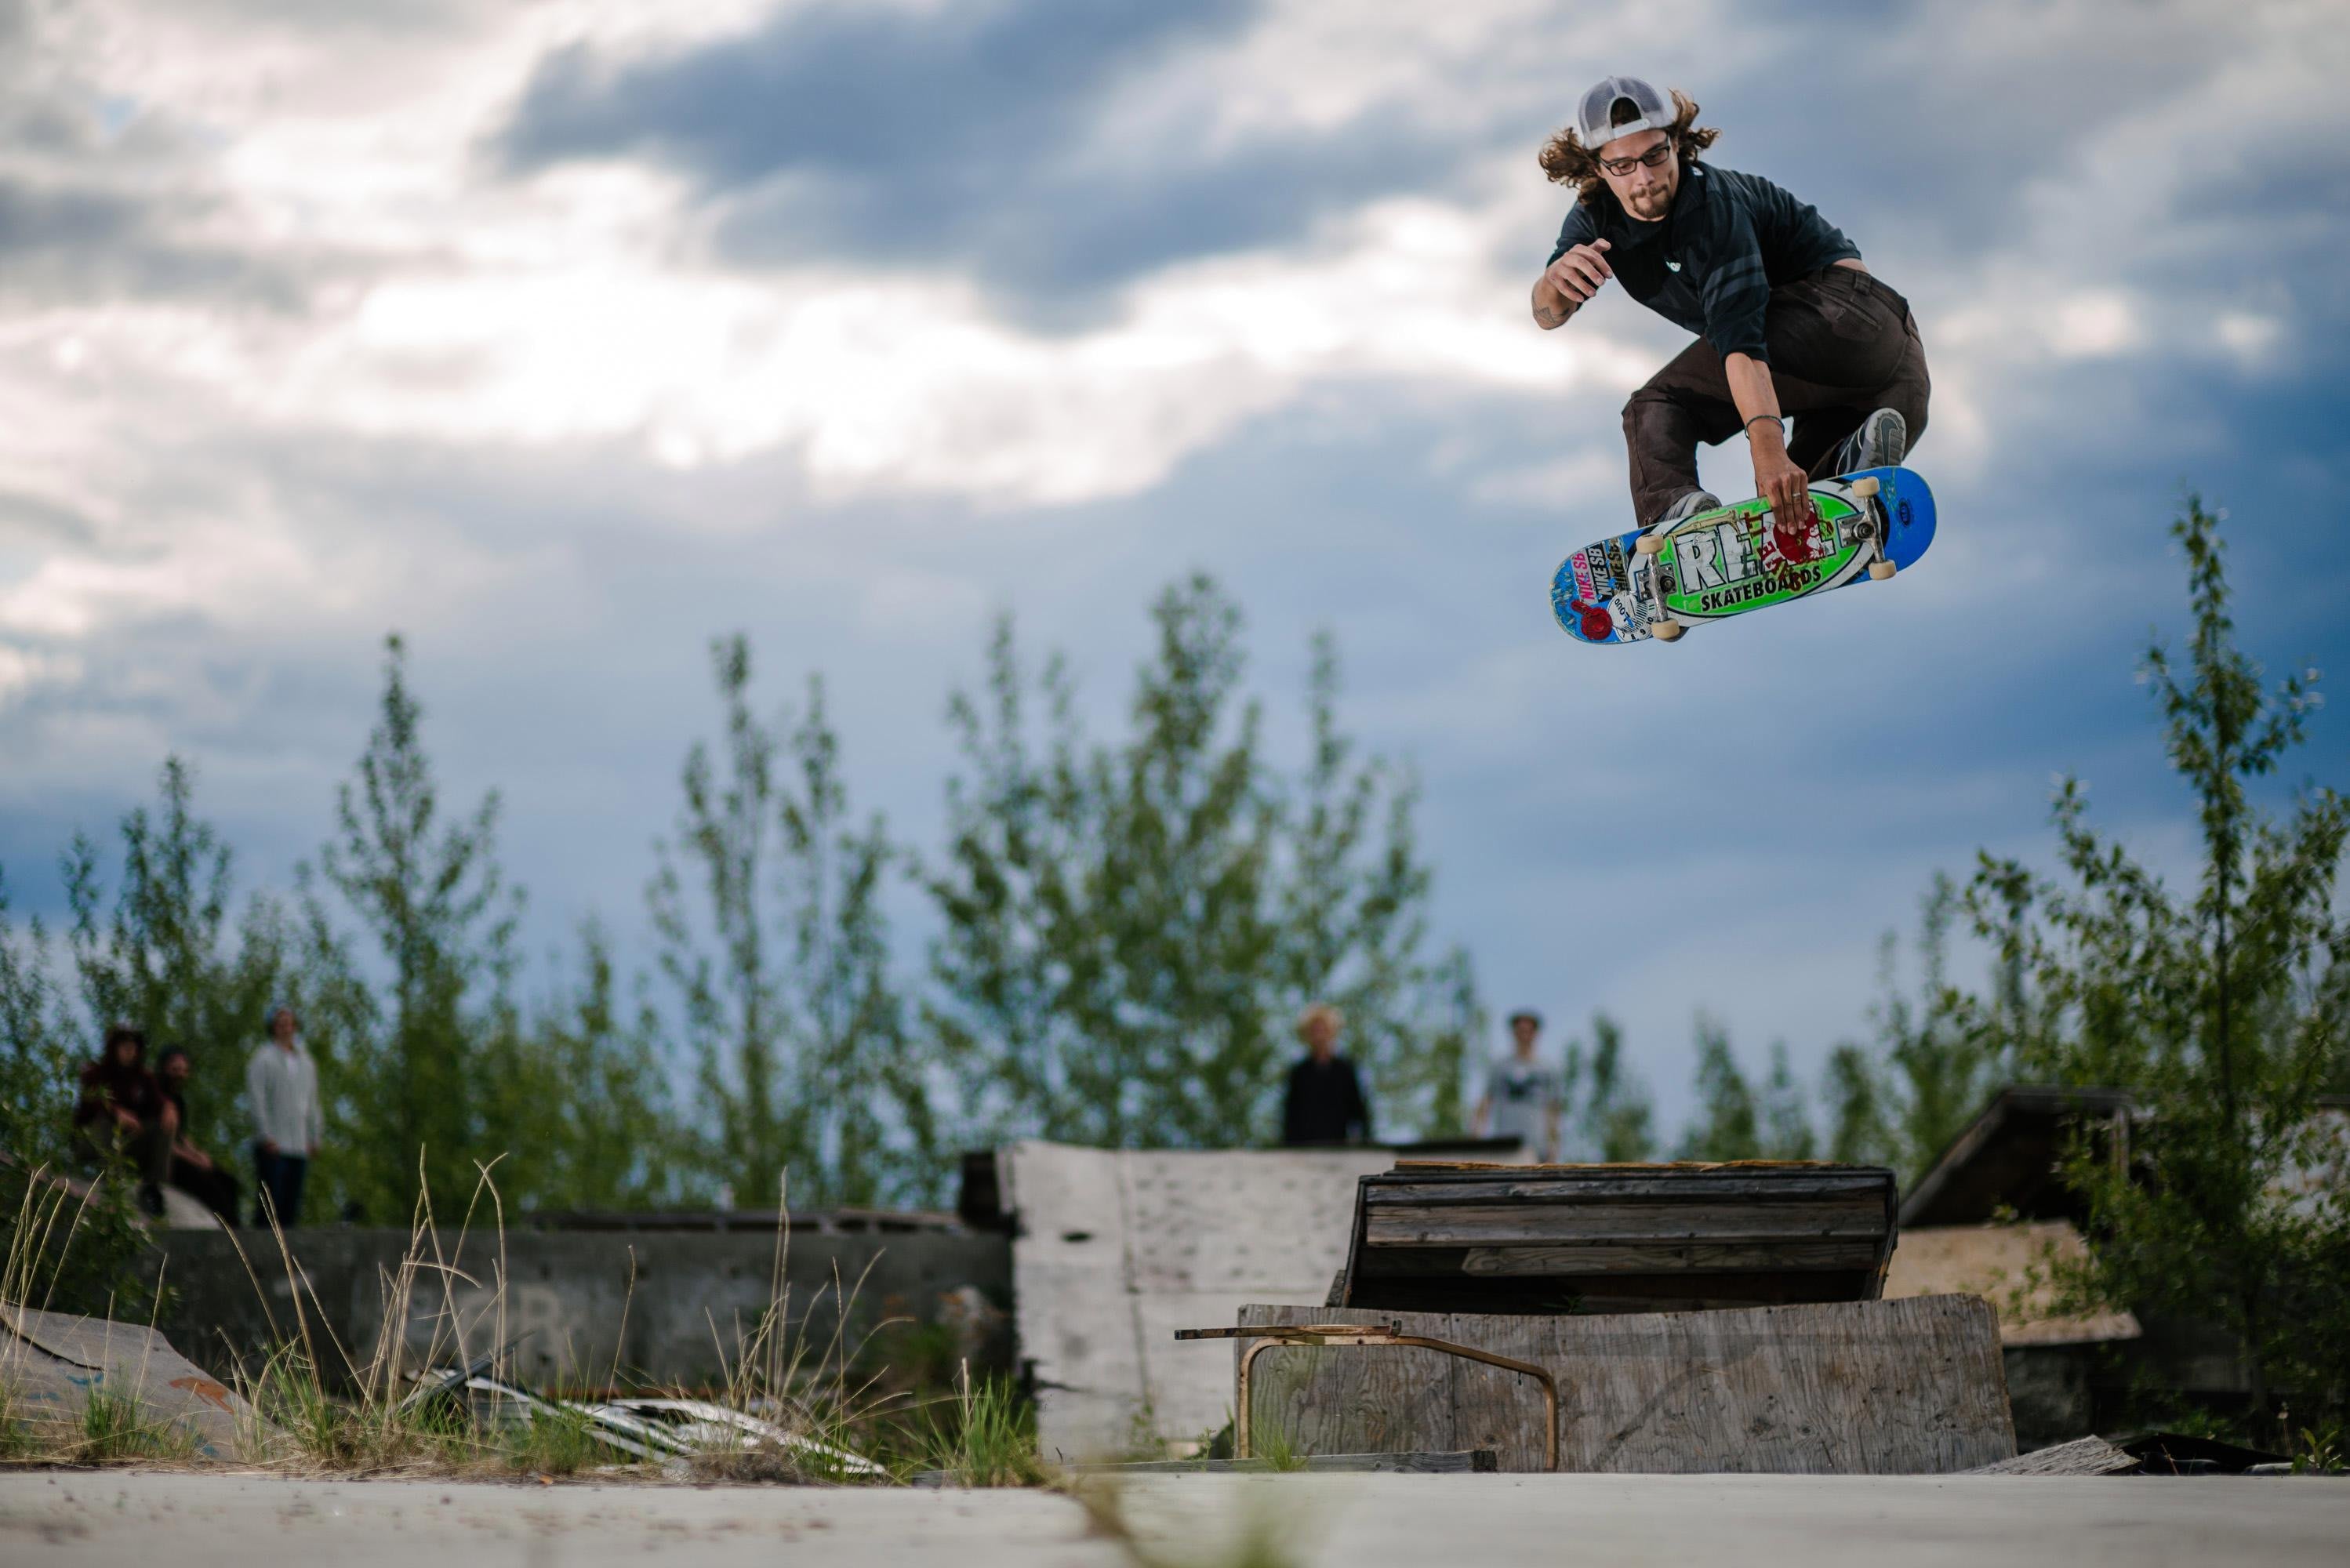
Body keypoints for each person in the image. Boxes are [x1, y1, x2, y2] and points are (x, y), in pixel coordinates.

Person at [1532, 76, 1927, 534]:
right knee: (1802, 509)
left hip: (1840, 319)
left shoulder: (1710, 209)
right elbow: (1548, 314)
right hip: (1888, 384)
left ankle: (1677, 522)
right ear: (1597, 168)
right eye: (1622, 165)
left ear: (1676, 143)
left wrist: (1766, 453)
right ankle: (1851, 460)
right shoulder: (1594, 217)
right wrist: (1551, 282)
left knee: (1655, 407)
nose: (1644, 178)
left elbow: (1741, 341)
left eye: (1655, 155)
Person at [72, 1022, 174, 1214]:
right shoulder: (95, 1073)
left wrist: (168, 1107)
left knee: (160, 1127)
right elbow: (92, 1100)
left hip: (128, 1143)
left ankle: (153, 1186)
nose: (130, 1051)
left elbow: (159, 1103)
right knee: (103, 1122)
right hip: (94, 1140)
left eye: (134, 1047)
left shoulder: (143, 1078)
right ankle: (106, 1178)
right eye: (125, 1046)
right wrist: (116, 1112)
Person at [246, 1002, 322, 1229]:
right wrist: (265, 1134)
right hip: (274, 1143)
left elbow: (312, 1101)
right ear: (272, 1027)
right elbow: (256, 1098)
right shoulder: (262, 1058)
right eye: (280, 1024)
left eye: (289, 1023)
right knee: (271, 1204)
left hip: (298, 1144)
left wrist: (314, 1136)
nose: (285, 1028)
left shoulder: (306, 1062)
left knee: (291, 1205)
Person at [156, 1046, 242, 1225]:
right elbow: (164, 1141)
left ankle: (235, 1227)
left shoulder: (178, 1100)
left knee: (229, 1182)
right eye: (175, 1069)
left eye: (183, 1070)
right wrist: (192, 1159)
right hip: (167, 1161)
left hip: (181, 1155)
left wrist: (199, 1154)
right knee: (210, 1188)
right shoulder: (157, 1097)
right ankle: (228, 1227)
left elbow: (181, 1135)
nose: (179, 1075)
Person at [1473, 1010, 1564, 1162]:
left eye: (1528, 1031)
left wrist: (1554, 1144)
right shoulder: (1500, 1067)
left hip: (1536, 1146)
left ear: (1535, 1034)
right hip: (1505, 1146)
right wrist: (1476, 1136)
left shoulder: (1547, 1069)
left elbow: (1553, 1109)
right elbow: (1485, 1102)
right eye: (1520, 1031)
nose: (1524, 1035)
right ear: (1514, 1033)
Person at [1280, 1003, 1372, 1145]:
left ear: (1332, 1032)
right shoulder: (1299, 1072)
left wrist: (1364, 1144)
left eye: (1324, 1030)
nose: (1319, 1035)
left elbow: (1358, 1111)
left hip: (1339, 1145)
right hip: (1304, 1147)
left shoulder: (1345, 1069)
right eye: (1315, 1031)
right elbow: (1290, 1116)